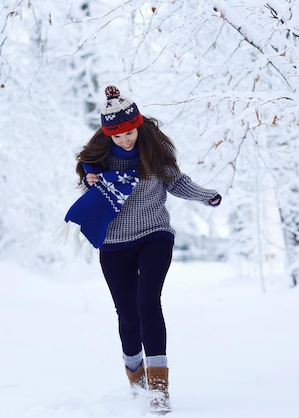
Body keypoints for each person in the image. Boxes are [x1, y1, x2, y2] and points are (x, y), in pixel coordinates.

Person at [64, 85, 221, 414]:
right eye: (117, 136)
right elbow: (86, 171)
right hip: (114, 244)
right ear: (109, 135)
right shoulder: (102, 158)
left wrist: (205, 195)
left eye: (129, 133)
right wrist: (92, 177)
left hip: (154, 235)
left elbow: (176, 182)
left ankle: (159, 391)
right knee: (128, 315)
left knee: (148, 302)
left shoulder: (153, 152)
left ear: (138, 125)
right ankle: (136, 381)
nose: (125, 140)